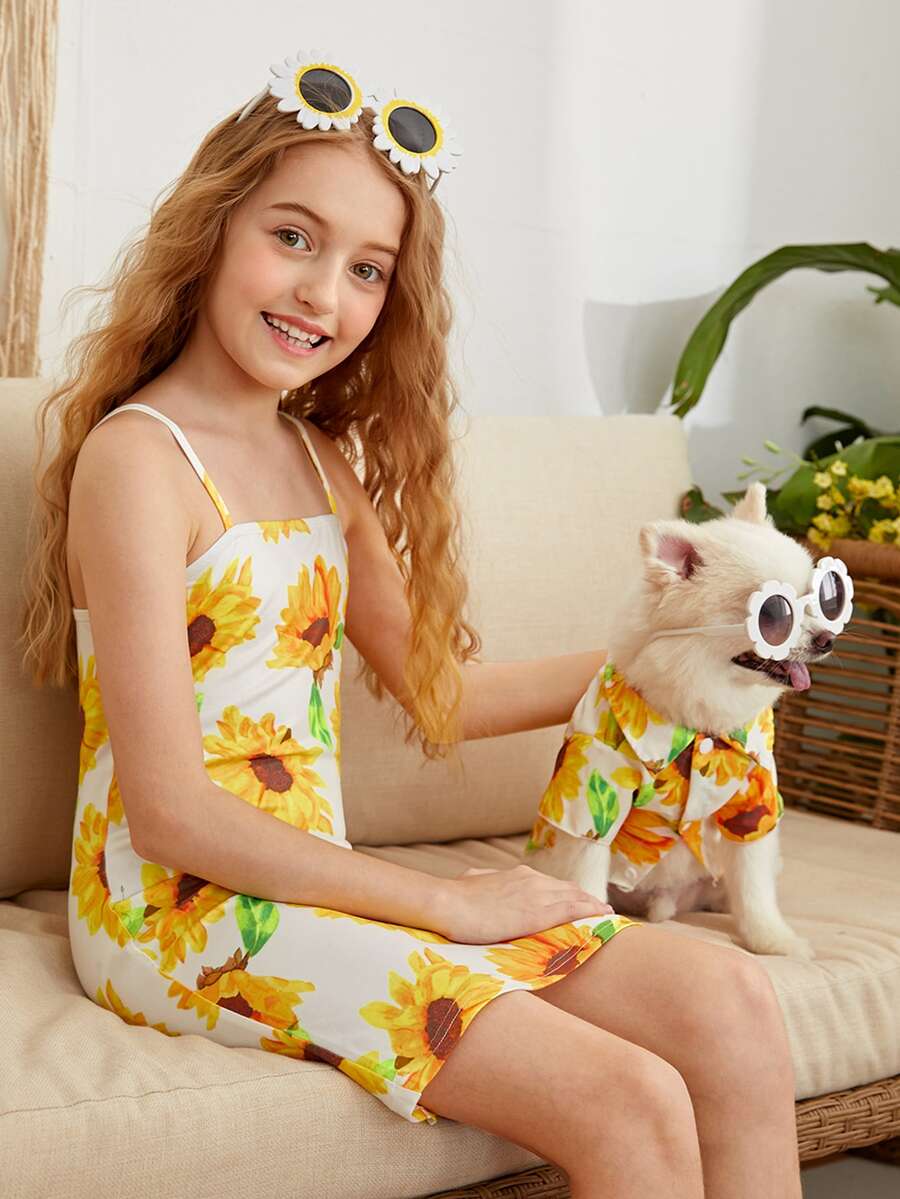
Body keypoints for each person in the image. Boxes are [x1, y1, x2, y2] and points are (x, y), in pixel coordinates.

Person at [19, 52, 802, 1198]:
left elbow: (446, 698)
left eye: (366, 269)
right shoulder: (139, 461)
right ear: (213, 227)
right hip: (170, 909)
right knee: (627, 1094)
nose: (320, 293)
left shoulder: (317, 461)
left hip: (313, 885)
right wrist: (447, 900)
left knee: (730, 1000)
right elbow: (171, 811)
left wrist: (674, 658)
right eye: (293, 237)